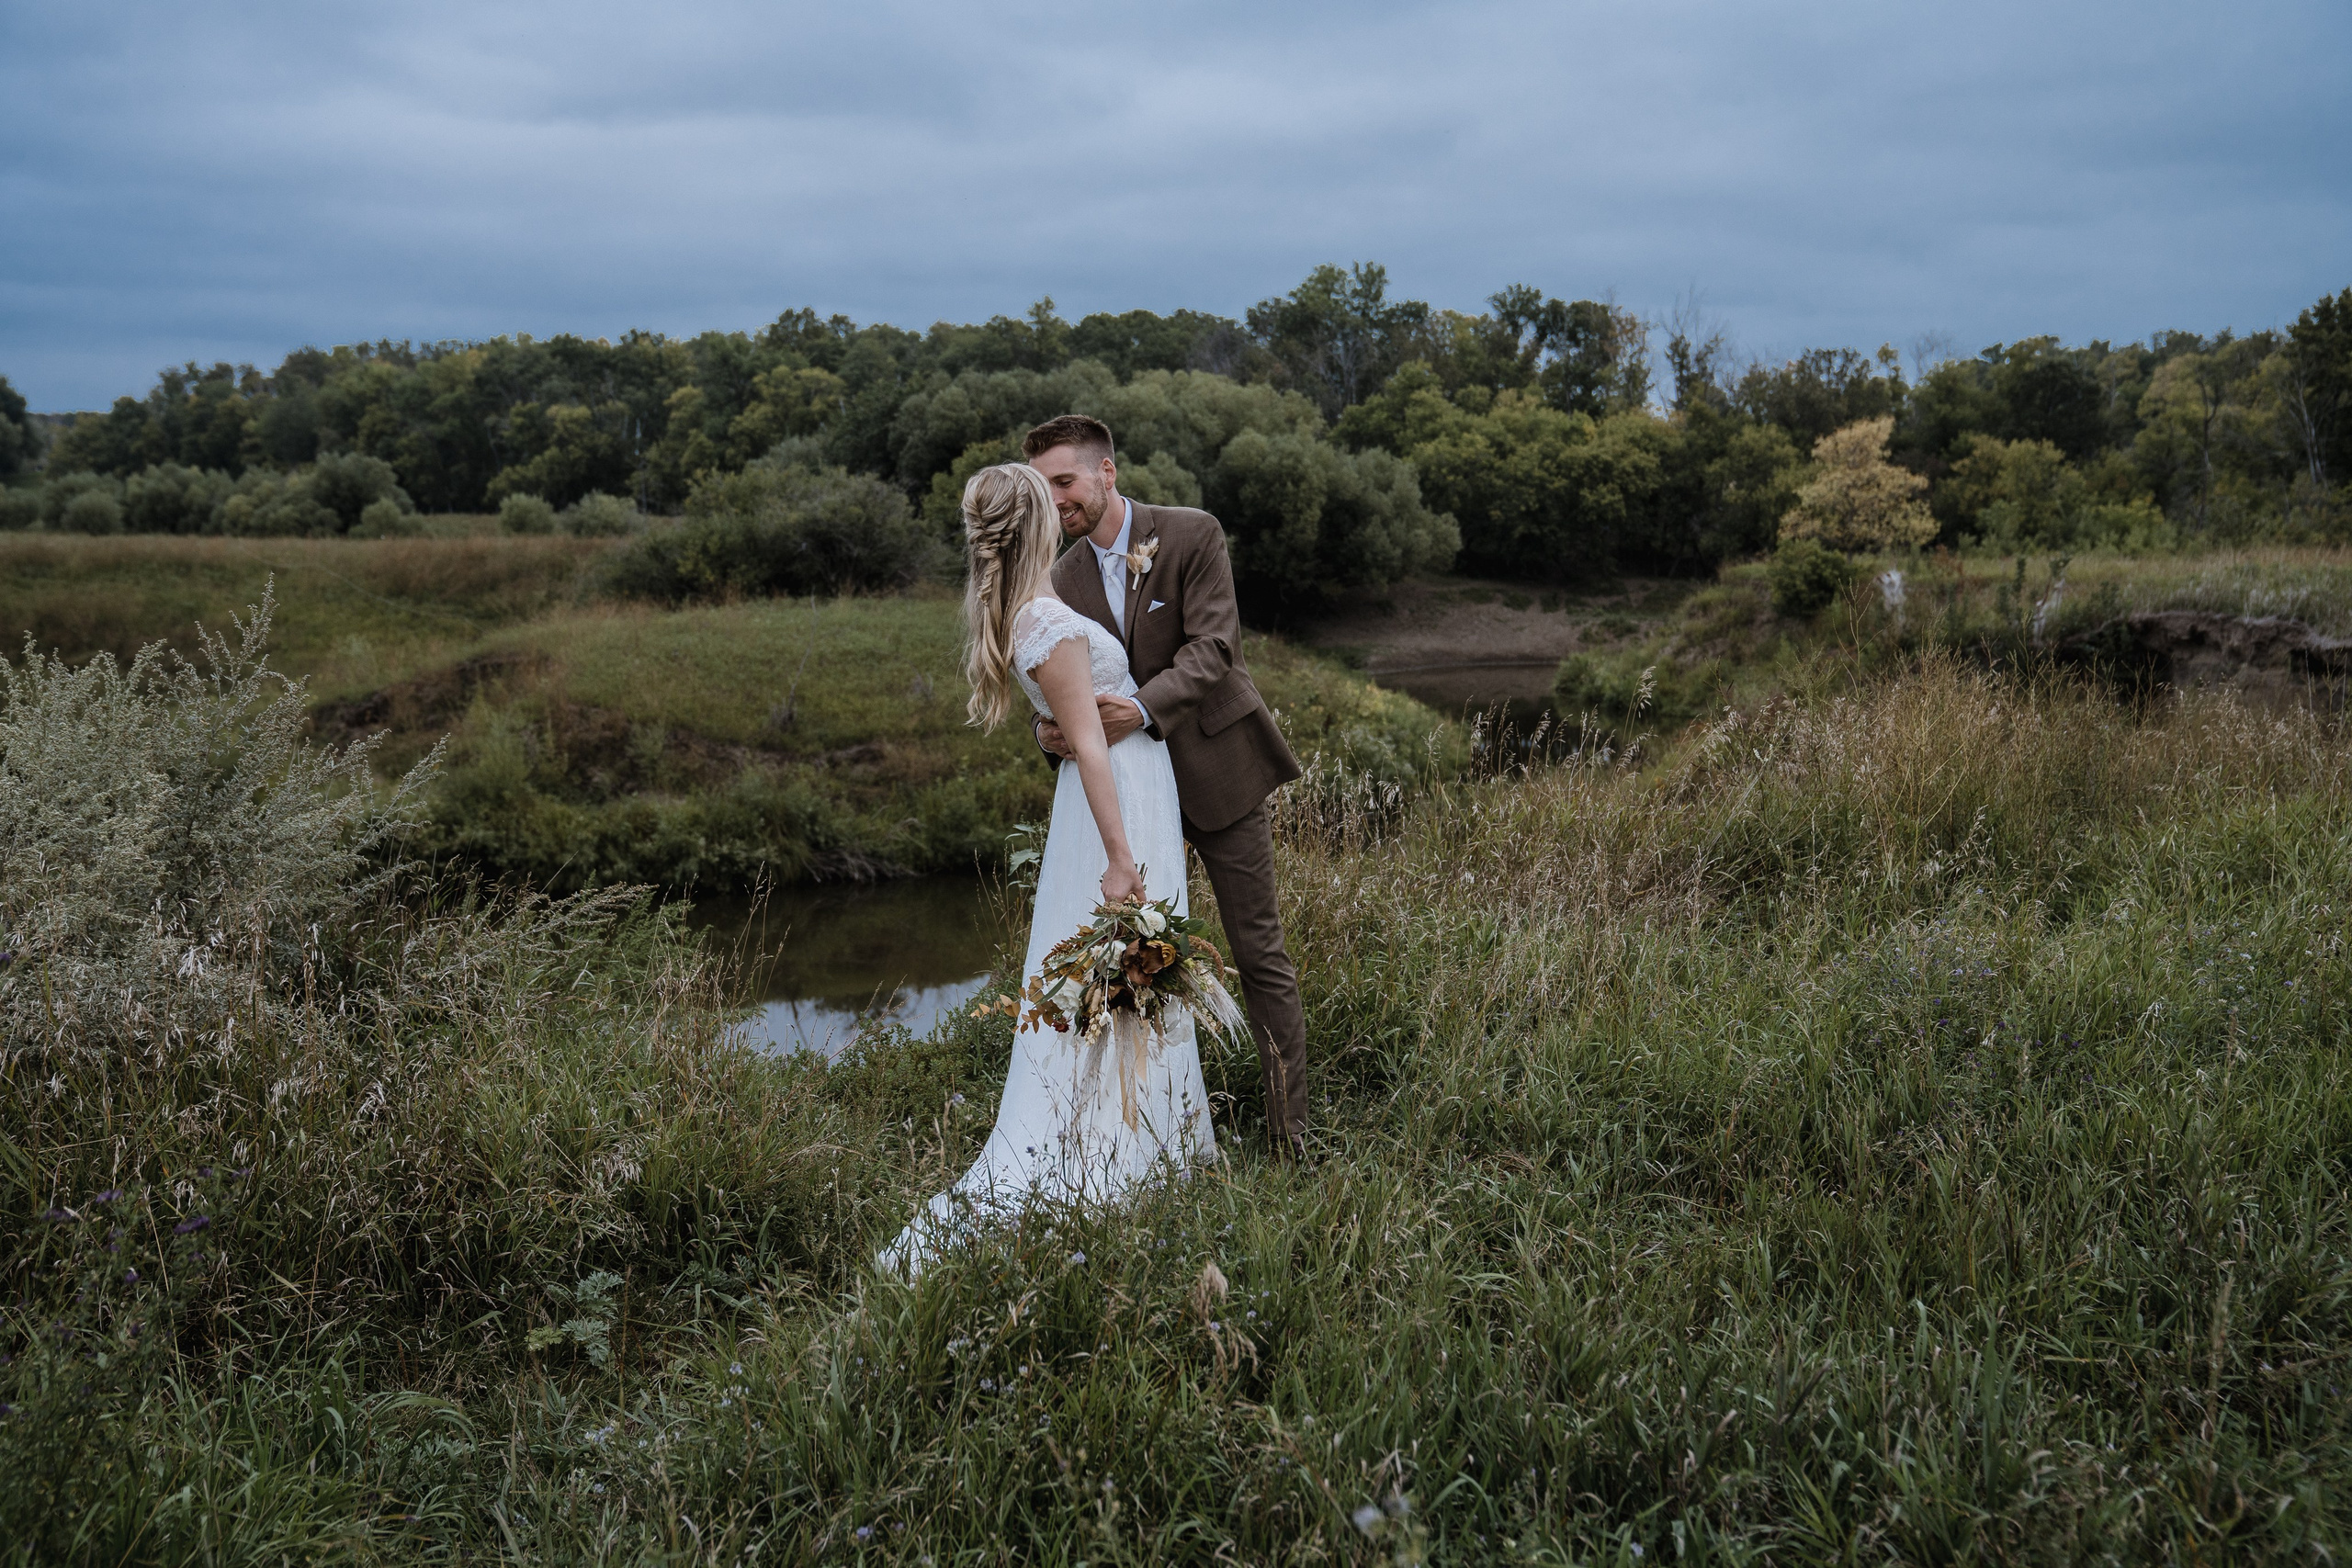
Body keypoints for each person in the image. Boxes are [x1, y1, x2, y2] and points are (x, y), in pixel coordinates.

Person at [880, 462, 1216, 1275]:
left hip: (1119, 800)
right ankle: (1116, 1148)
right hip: (1114, 811)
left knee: (1121, 977)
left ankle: (1152, 1131)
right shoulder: (1048, 624)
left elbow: (1075, 732)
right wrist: (1119, 857)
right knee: (1119, 970)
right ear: (1034, 526)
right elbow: (1090, 745)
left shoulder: (1026, 613)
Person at [1023, 413, 1309, 1156]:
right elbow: (1056, 677)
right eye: (1043, 488)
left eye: (1066, 482)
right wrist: (1050, 732)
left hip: (1217, 772)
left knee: (1258, 952)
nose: (1056, 502)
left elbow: (1216, 648)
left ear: (1107, 472)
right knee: (1120, 959)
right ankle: (1139, 1140)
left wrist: (1141, 709)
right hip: (1126, 801)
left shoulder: (1192, 534)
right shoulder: (1060, 578)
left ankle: (1292, 1138)